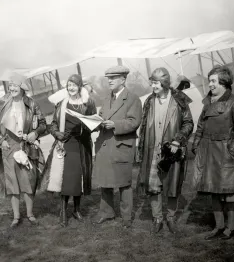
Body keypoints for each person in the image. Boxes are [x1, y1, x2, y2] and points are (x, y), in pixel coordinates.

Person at [192, 65, 234, 240]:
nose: (209, 84)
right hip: (208, 152)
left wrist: (232, 152)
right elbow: (200, 127)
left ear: (223, 83)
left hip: (226, 152)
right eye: (209, 81)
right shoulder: (207, 103)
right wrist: (196, 146)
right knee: (213, 190)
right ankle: (218, 226)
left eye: (213, 81)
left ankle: (231, 227)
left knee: (229, 192)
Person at [137, 67, 194, 234]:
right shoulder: (149, 101)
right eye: (152, 82)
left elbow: (189, 123)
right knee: (153, 185)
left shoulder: (179, 99)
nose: (153, 86)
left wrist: (178, 140)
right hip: (152, 150)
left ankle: (170, 218)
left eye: (155, 83)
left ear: (164, 83)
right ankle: (157, 218)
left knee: (172, 186)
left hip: (172, 152)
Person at [39, 74, 96, 227]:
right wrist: (56, 133)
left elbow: (95, 122)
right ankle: (63, 211)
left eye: (74, 85)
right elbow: (53, 124)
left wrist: (91, 125)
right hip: (65, 144)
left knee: (79, 177)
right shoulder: (61, 104)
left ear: (79, 87)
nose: (71, 88)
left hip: (81, 144)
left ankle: (76, 209)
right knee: (65, 178)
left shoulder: (87, 103)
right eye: (69, 85)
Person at [93, 66, 142, 228]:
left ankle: (126, 218)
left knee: (124, 183)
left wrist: (115, 124)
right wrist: (95, 123)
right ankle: (107, 213)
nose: (110, 81)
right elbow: (101, 117)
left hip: (121, 146)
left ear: (123, 79)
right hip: (105, 145)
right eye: (108, 78)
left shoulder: (133, 99)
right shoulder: (107, 99)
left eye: (114, 78)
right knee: (105, 181)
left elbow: (134, 122)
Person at [0, 73, 46, 228]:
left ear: (22, 88)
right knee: (12, 182)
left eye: (15, 85)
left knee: (27, 180)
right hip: (8, 147)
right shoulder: (3, 103)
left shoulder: (31, 104)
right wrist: (1, 141)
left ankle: (30, 214)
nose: (12, 88)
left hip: (25, 146)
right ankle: (16, 217)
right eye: (10, 85)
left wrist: (35, 133)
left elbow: (43, 123)